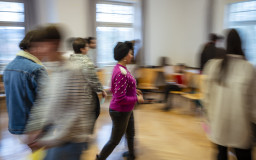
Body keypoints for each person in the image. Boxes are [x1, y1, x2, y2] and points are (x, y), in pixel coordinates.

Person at [25, 25, 98, 160]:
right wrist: (37, 129)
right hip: (58, 136)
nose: (36, 51)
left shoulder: (73, 71)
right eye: (34, 47)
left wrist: (50, 140)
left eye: (40, 46)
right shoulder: (50, 69)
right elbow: (48, 103)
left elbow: (77, 115)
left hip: (72, 140)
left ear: (54, 44)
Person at [202, 29, 256, 160]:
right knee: (243, 155)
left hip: (218, 123)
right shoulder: (248, 68)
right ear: (241, 44)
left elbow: (207, 97)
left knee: (221, 153)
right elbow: (253, 104)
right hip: (241, 126)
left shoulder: (213, 66)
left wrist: (208, 117)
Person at [96, 42, 144, 160]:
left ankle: (131, 155)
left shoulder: (120, 68)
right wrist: (136, 99)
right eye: (130, 53)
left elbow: (114, 89)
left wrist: (133, 90)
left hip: (127, 109)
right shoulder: (120, 72)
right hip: (120, 111)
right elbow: (120, 98)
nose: (132, 56)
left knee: (130, 133)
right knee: (114, 140)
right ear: (124, 56)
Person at [3, 29, 48, 138]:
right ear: (37, 47)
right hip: (35, 127)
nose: (46, 53)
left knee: (35, 153)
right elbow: (47, 101)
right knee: (42, 153)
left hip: (16, 124)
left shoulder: (9, 67)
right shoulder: (37, 69)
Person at [70, 37, 106, 119]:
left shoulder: (69, 61)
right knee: (93, 114)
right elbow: (93, 79)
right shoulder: (87, 62)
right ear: (82, 49)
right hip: (87, 96)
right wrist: (101, 89)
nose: (88, 49)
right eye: (86, 47)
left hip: (73, 97)